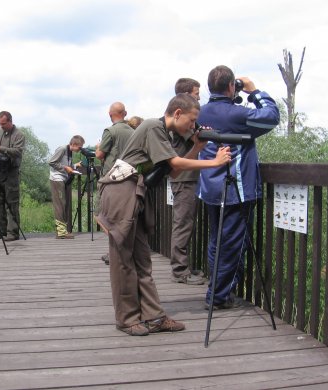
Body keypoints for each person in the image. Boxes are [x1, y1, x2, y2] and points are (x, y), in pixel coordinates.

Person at [95, 93, 231, 336]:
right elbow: (176, 163)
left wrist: (198, 147)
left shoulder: (164, 134)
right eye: (191, 120)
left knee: (142, 260)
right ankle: (126, 319)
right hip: (120, 193)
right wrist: (215, 163)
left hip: (132, 192)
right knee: (124, 261)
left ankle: (153, 316)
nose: (193, 126)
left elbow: (174, 171)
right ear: (177, 113)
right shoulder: (152, 126)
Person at [196, 65, 280, 309]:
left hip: (210, 188)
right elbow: (272, 116)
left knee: (217, 241)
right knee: (231, 244)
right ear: (232, 86)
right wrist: (254, 92)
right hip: (236, 190)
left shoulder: (200, 113)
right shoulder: (237, 114)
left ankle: (221, 290)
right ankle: (218, 297)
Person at [169, 78, 205, 285]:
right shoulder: (182, 122)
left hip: (183, 177)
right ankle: (180, 270)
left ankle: (182, 266)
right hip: (183, 178)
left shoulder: (181, 119)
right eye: (196, 93)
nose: (199, 97)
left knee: (184, 223)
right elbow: (196, 139)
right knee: (183, 224)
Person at [95, 102, 134, 265]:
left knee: (100, 215)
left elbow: (99, 154)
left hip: (111, 178)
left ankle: (116, 250)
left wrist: (98, 147)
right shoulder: (133, 131)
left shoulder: (110, 131)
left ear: (110, 115)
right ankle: (121, 250)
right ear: (125, 113)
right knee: (122, 217)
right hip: (129, 177)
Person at [0, 111, 25, 241]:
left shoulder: (19, 135)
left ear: (10, 121)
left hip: (11, 173)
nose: (1, 126)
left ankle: (13, 233)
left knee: (11, 204)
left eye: (3, 124)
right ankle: (1, 231)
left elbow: (17, 152)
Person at [48, 135, 85, 239]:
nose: (80, 149)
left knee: (63, 204)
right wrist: (66, 168)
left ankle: (63, 231)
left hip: (63, 179)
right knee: (60, 204)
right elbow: (51, 162)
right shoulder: (62, 149)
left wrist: (74, 166)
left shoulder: (70, 151)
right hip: (56, 179)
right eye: (80, 147)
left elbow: (66, 165)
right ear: (73, 144)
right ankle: (61, 232)